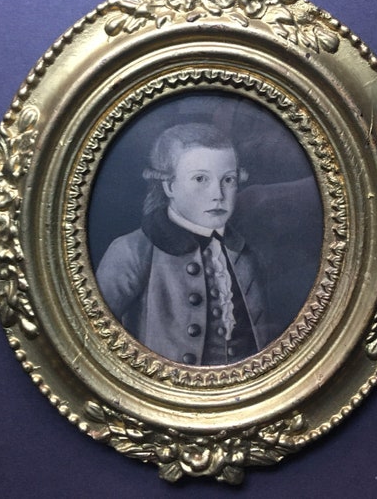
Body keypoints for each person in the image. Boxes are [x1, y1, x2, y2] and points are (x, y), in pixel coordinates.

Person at [96, 123, 273, 366]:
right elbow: (94, 339)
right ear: (169, 186)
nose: (218, 194)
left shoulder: (245, 253)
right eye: (201, 179)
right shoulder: (132, 252)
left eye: (228, 180)